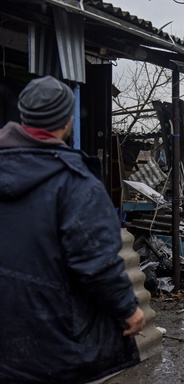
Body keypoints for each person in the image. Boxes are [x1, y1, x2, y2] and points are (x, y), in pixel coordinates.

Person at [0, 76, 146, 383]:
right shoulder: (75, 184)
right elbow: (96, 263)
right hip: (52, 343)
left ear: (23, 117)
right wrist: (128, 308)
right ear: (68, 120)